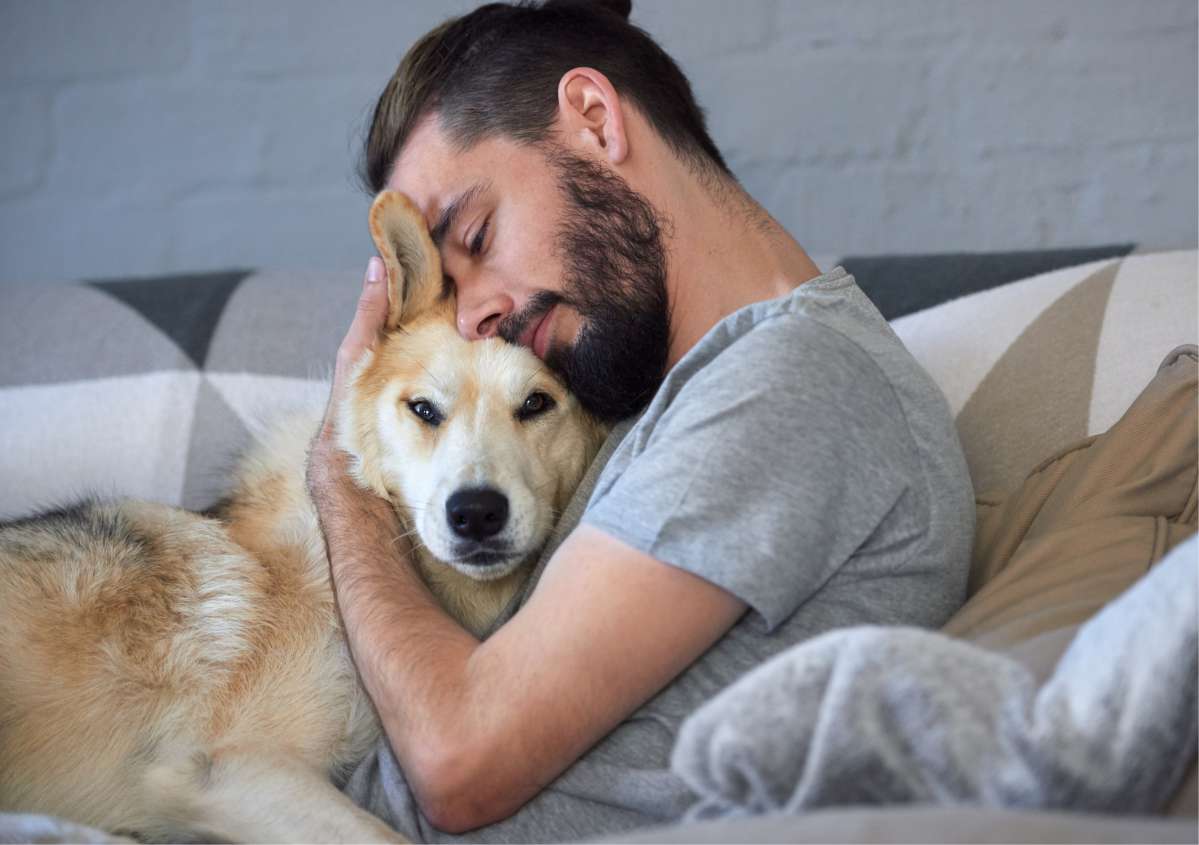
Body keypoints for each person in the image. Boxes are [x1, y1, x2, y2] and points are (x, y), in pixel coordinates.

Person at [304, 0, 975, 841]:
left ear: (593, 119)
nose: (472, 316)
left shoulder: (789, 380)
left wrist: (339, 464)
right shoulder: (666, 389)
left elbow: (457, 765)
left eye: (476, 233)